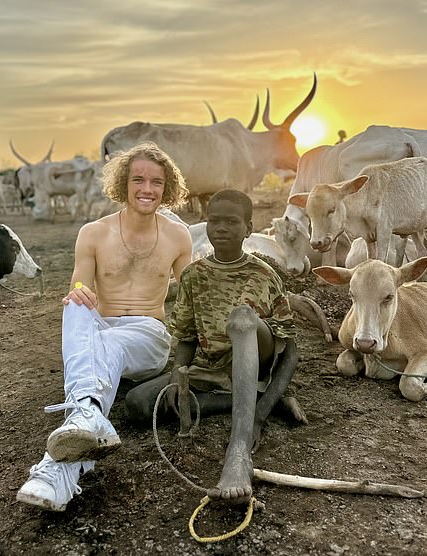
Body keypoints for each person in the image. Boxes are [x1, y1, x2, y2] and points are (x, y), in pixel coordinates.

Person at [17, 142, 193, 512]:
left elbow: (191, 297)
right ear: (123, 184)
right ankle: (64, 464)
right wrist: (80, 293)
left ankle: (79, 418)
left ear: (167, 189)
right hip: (100, 324)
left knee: (104, 345)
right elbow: (80, 284)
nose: (147, 189)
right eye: (139, 179)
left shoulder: (179, 236)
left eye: (157, 182)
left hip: (148, 334)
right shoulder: (93, 233)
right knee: (74, 307)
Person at [124, 189, 301, 504]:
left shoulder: (264, 275)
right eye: (214, 220)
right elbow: (188, 335)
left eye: (232, 221)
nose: (221, 228)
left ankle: (239, 449)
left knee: (242, 318)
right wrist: (180, 374)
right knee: (137, 405)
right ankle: (252, 399)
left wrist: (258, 418)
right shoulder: (193, 276)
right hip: (210, 371)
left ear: (248, 228)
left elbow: (291, 349)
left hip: (253, 362)